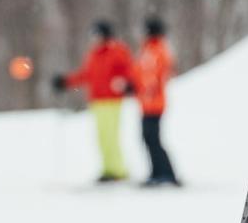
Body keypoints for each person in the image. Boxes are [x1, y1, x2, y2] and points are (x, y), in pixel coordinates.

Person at [52, 20, 134, 183]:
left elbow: (129, 70)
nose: (95, 38)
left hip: (112, 101)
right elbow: (86, 75)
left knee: (111, 136)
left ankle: (118, 169)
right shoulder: (94, 53)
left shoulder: (117, 51)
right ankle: (108, 168)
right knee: (101, 136)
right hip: (97, 101)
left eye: (97, 34)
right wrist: (66, 82)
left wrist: (128, 83)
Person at [133, 16, 180, 186]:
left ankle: (167, 174)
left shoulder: (158, 49)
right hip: (146, 102)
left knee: (153, 138)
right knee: (147, 138)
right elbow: (139, 72)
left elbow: (157, 74)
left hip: (155, 102)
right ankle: (156, 172)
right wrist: (134, 86)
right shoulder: (147, 49)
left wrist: (147, 88)